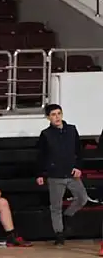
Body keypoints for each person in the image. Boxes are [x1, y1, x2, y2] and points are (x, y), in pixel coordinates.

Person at [36, 104, 87, 246]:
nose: (57, 117)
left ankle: (68, 215)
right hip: (55, 175)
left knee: (82, 198)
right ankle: (59, 233)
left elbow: (79, 151)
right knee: (56, 206)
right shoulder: (46, 134)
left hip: (72, 173)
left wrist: (78, 167)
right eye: (53, 114)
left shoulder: (71, 130)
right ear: (48, 117)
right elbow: (41, 155)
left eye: (59, 113)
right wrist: (40, 174)